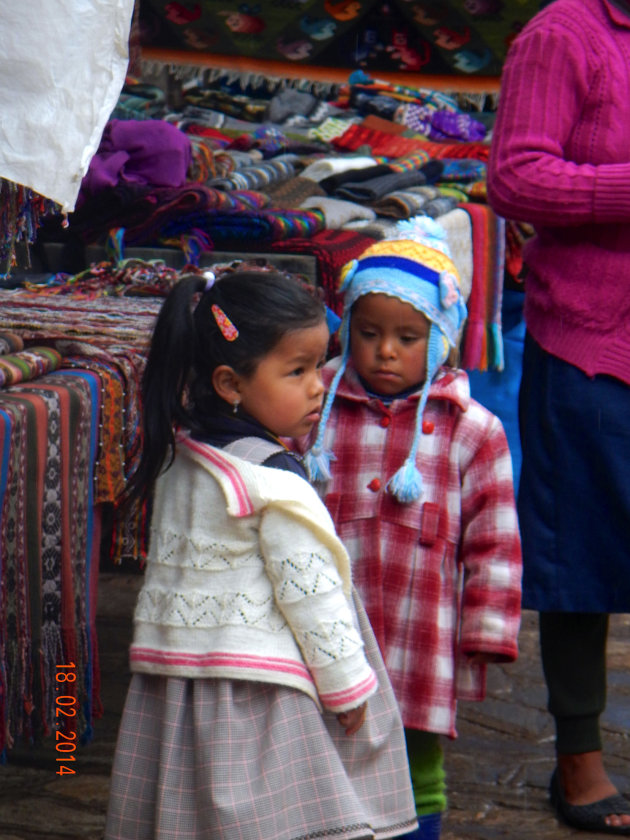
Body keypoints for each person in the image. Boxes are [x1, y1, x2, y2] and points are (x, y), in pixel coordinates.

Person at [104, 264, 418, 840]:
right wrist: (347, 685)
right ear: (230, 384)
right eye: (296, 371)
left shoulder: (182, 458)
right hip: (262, 696)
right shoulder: (272, 478)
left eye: (317, 366)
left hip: (177, 688)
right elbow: (313, 593)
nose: (318, 385)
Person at [303, 218, 523, 840]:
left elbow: (496, 539)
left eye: (408, 336)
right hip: (326, 620)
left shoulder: (472, 429)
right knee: (324, 743)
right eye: (368, 334)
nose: (386, 351)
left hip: (419, 625)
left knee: (414, 754)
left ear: (444, 339)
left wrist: (486, 627)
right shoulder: (314, 411)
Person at [487, 0, 630, 834]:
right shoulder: (564, 33)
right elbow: (516, 176)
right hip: (591, 339)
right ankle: (577, 757)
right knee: (579, 552)